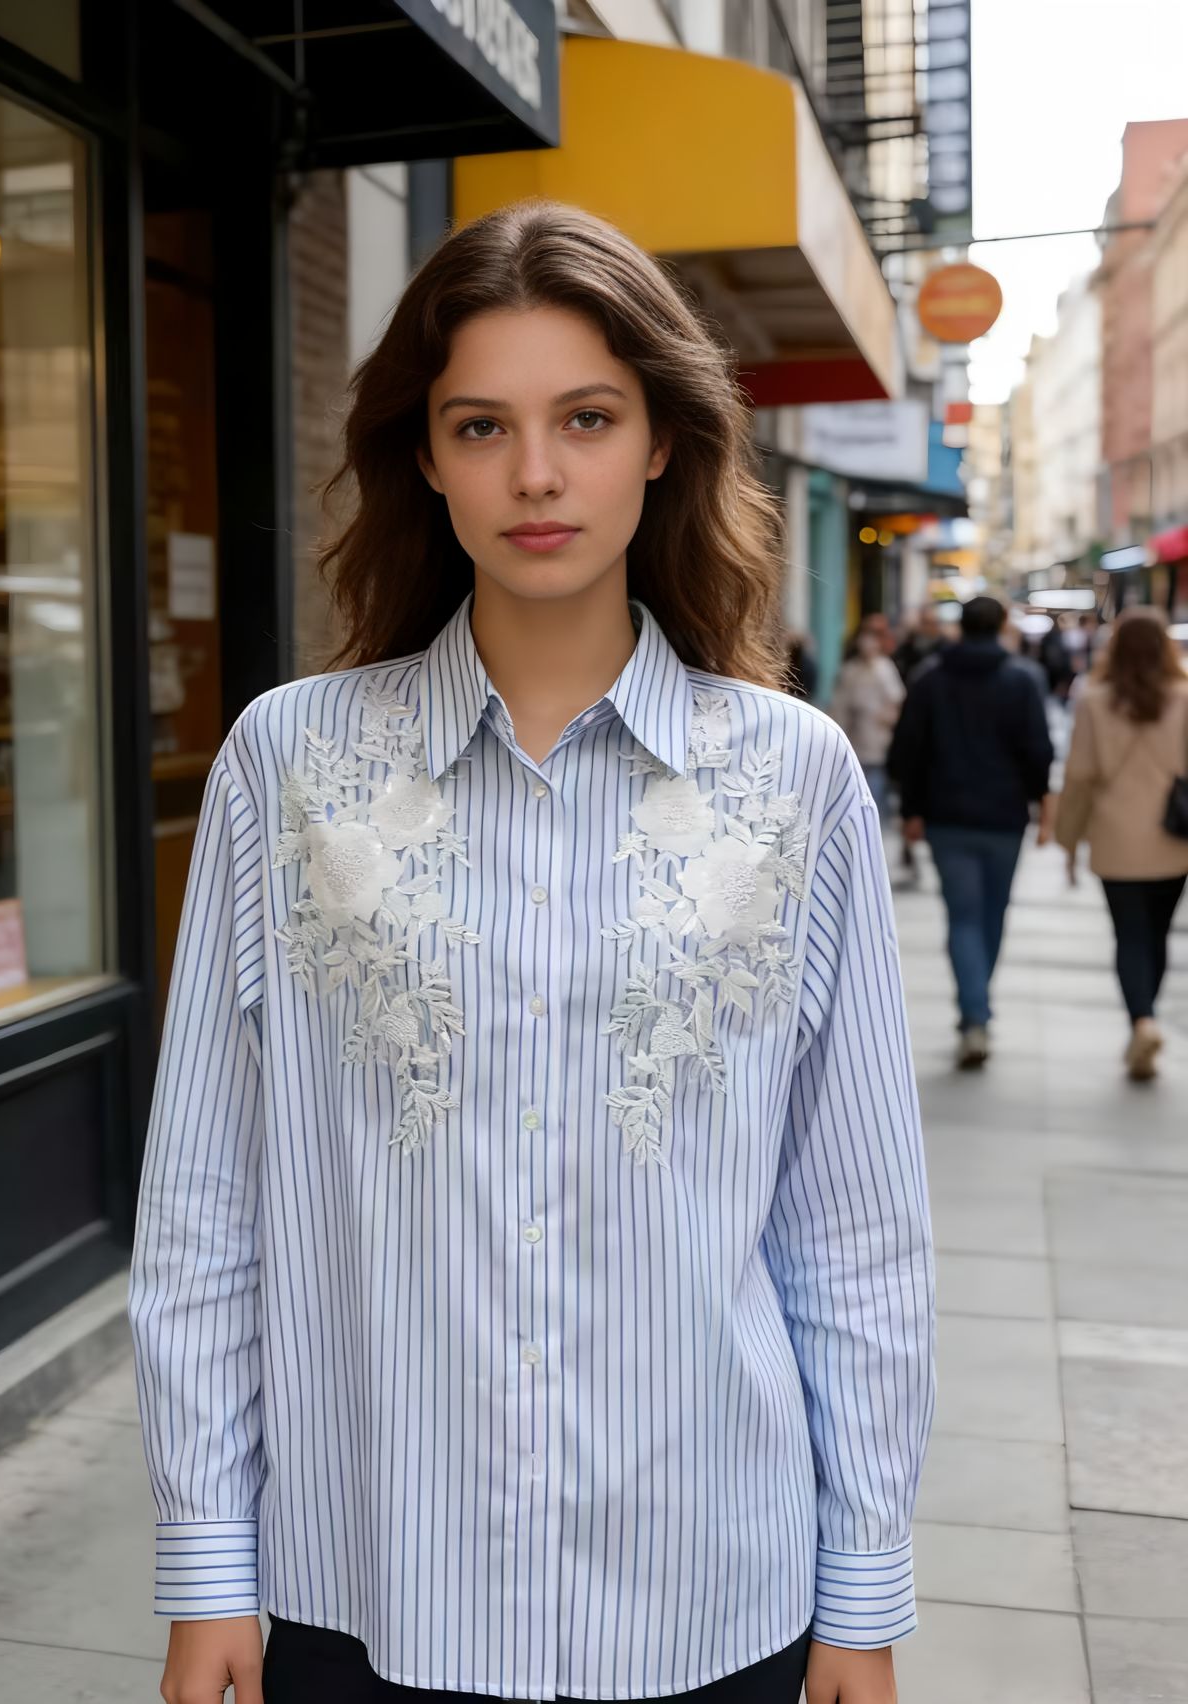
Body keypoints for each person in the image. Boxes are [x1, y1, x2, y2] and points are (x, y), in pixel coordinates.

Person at [128, 199, 935, 1704]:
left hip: (715, 1595)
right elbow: (203, 1206)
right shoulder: (288, 767)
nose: (539, 474)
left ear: (662, 443)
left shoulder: (796, 777)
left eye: (587, 416)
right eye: (482, 426)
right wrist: (207, 1564)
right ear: (424, 457)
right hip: (365, 1589)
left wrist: (864, 1594)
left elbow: (855, 1231)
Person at [888, 594, 1054, 1068]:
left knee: (961, 917)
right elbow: (1038, 750)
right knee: (992, 915)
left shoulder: (931, 680)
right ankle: (977, 1010)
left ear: (960, 626)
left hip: (948, 817)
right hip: (1003, 818)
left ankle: (974, 1014)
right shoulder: (1023, 680)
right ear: (1002, 625)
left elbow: (908, 750)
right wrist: (1042, 801)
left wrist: (912, 810)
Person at [1055, 606, 1188, 1079]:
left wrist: (1067, 840)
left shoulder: (1096, 698)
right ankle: (1147, 1017)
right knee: (1156, 934)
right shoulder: (1184, 696)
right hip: (1173, 840)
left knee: (1129, 934)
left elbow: (1081, 776)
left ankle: (1142, 1020)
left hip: (1115, 837)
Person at [829, 621, 906, 819]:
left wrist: (887, 719)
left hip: (874, 732)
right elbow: (840, 700)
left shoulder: (884, 668)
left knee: (874, 777)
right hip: (852, 732)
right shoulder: (850, 669)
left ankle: (872, 816)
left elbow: (895, 698)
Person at [892, 605, 948, 687]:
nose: (928, 628)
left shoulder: (945, 647)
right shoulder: (908, 645)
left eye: (932, 623)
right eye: (925, 623)